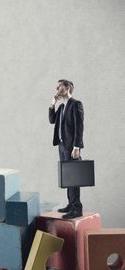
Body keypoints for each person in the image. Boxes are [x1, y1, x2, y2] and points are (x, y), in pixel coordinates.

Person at [49, 79, 84, 219]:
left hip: (71, 147)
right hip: (62, 146)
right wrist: (52, 104)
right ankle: (71, 204)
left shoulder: (76, 104)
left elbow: (79, 127)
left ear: (68, 87)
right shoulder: (62, 107)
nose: (56, 88)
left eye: (59, 86)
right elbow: (52, 120)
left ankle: (77, 208)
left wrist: (77, 146)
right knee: (68, 177)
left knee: (74, 176)